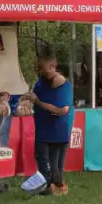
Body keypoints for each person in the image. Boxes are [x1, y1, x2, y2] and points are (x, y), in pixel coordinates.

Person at [30, 55, 74, 196]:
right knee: (46, 158)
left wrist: (38, 103)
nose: (40, 72)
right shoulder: (41, 82)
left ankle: (51, 185)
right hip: (44, 128)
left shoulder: (64, 86)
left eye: (42, 69)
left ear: (52, 67)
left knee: (52, 160)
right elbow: (33, 95)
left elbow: (62, 110)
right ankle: (54, 184)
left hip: (58, 129)